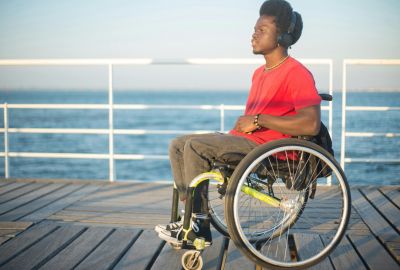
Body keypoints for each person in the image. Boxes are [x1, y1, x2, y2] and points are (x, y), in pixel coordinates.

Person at [155, 0, 321, 248]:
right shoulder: (260, 73)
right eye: (254, 28)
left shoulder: (296, 73)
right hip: (248, 142)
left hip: (269, 150)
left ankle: (199, 226)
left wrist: (258, 120)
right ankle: (187, 215)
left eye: (262, 30)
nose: (254, 34)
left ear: (282, 37)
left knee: (197, 147)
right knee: (178, 145)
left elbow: (311, 124)